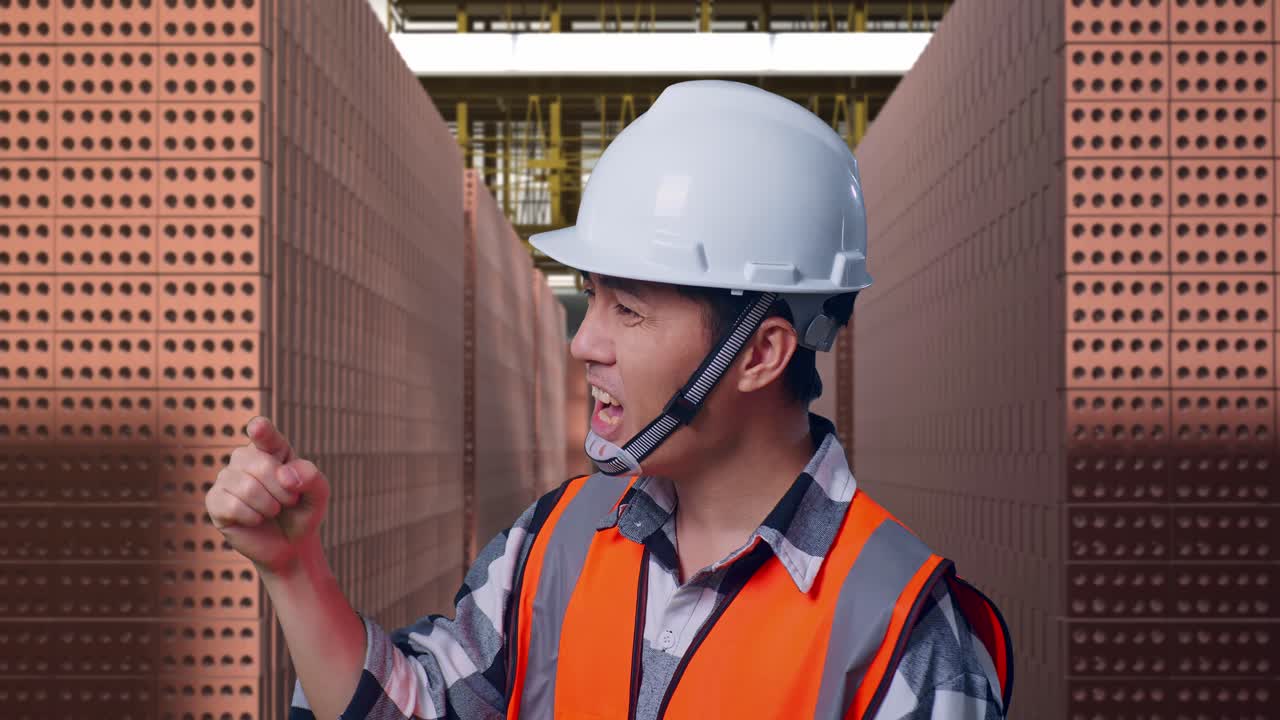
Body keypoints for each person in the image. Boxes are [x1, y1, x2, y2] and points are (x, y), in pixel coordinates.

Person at [206, 80, 1013, 720]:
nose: (583, 342)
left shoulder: (904, 637)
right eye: (589, 299)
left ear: (761, 353)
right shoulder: (555, 542)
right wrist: (294, 569)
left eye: (627, 309)